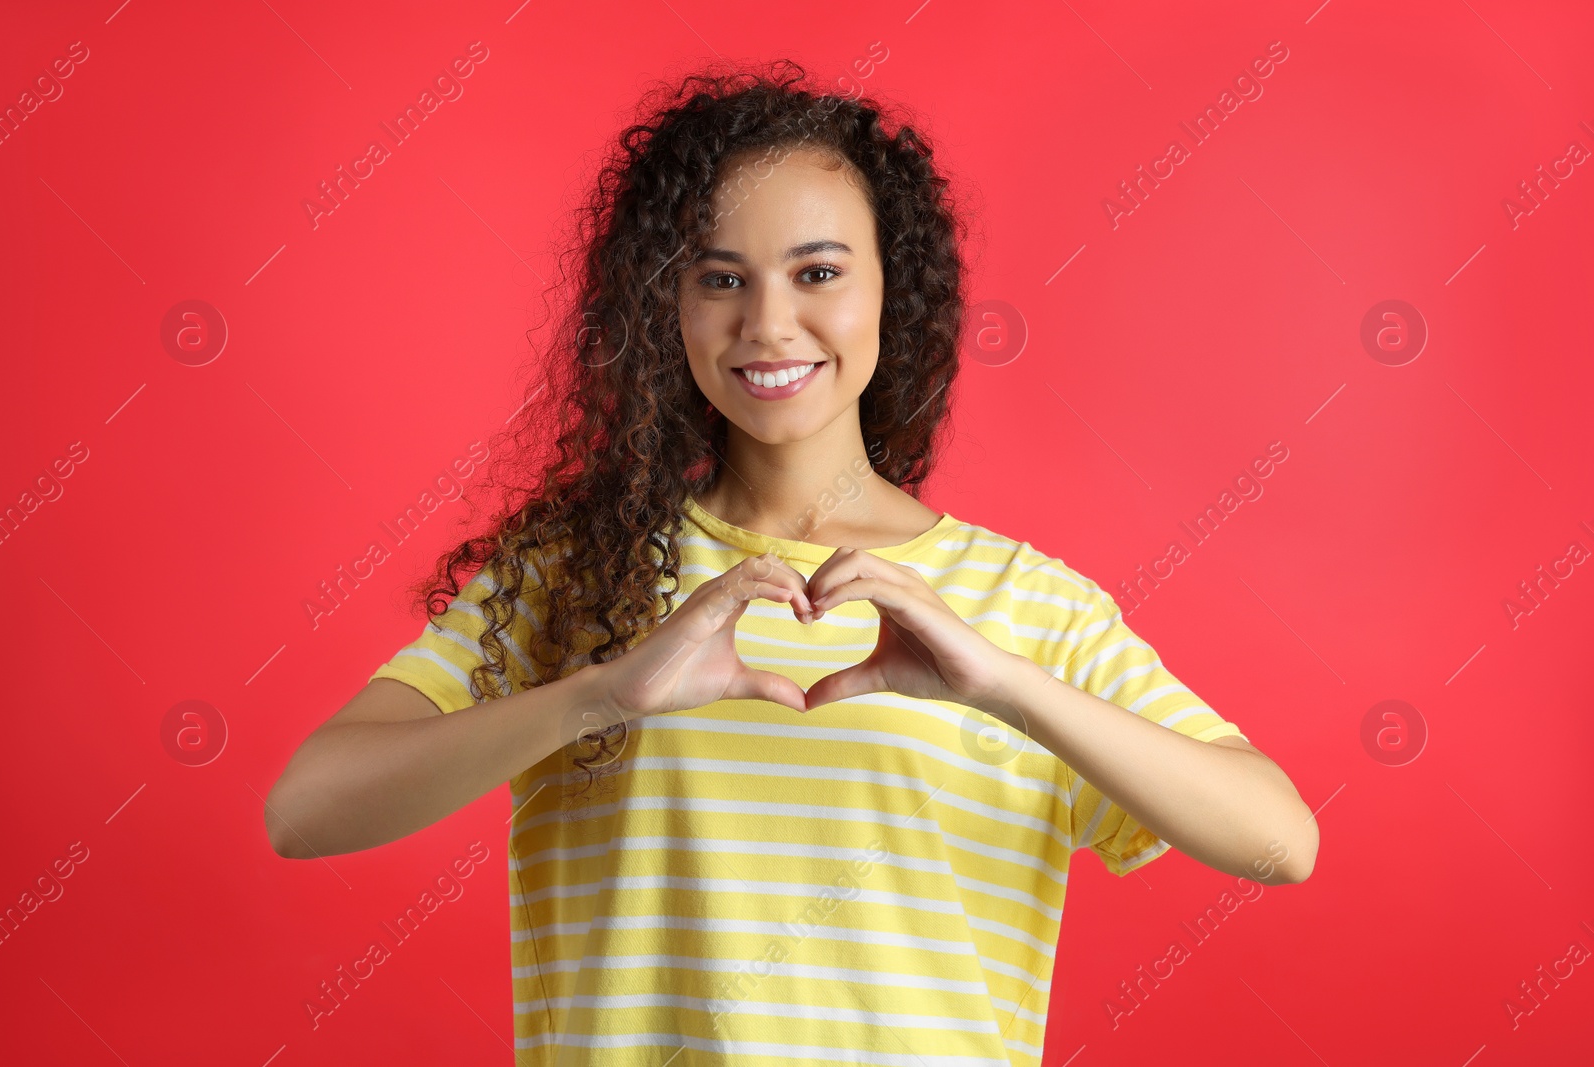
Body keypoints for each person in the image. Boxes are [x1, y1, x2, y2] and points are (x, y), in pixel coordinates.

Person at [264, 60, 1318, 1064]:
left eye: (817, 272)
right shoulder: (578, 576)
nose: (767, 324)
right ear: (664, 306)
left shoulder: (1021, 605)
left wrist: (1004, 686)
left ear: (887, 292)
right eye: (720, 278)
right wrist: (600, 695)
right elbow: (306, 809)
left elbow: (1279, 839)